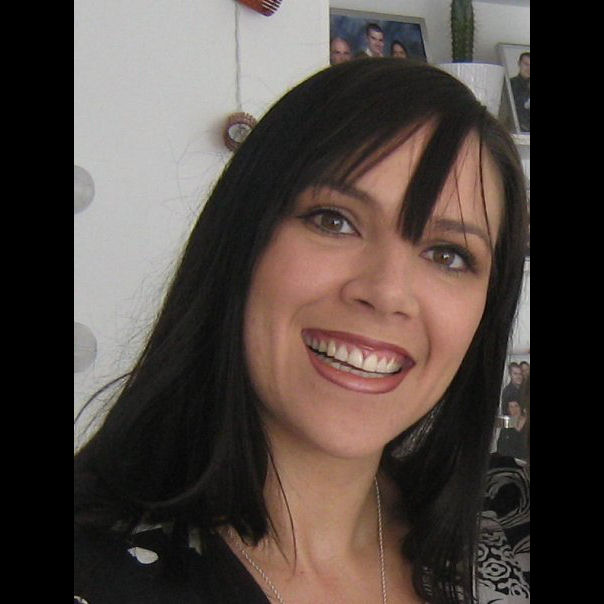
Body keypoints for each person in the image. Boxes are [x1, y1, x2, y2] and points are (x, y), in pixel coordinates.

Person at [74, 59, 528, 604]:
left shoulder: (510, 522)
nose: (387, 292)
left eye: (448, 254)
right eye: (334, 221)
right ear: (242, 239)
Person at [510, 52, 530, 132]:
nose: (529, 68)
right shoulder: (510, 84)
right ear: (519, 64)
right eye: (526, 64)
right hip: (516, 130)